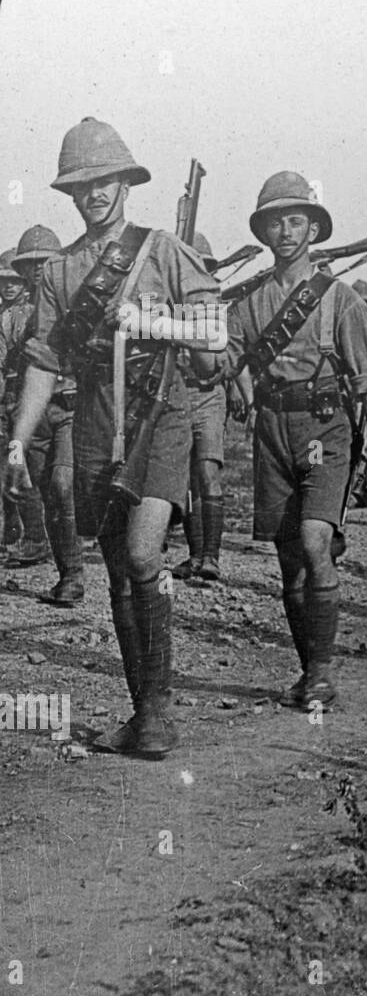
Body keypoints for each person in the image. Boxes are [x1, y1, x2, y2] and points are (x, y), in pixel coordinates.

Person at [5, 118, 222, 758]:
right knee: (121, 569)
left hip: (162, 410)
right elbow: (44, 363)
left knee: (146, 551)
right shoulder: (63, 271)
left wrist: (156, 319)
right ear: (71, 194)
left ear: (124, 182)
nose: (95, 193)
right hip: (98, 418)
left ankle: (158, 709)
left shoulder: (162, 249)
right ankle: (146, 712)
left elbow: (216, 331)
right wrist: (18, 440)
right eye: (82, 185)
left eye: (104, 181)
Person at [225, 172, 367, 711]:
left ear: (313, 228)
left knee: (316, 542)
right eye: (275, 221)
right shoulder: (250, 303)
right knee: (289, 558)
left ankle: (321, 672)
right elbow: (222, 357)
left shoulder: (340, 300)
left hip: (326, 427)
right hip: (272, 429)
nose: (285, 230)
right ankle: (305, 669)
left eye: (295, 219)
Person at [2, 226, 83, 601]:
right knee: (45, 492)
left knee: (63, 487)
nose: (37, 270)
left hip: (67, 406)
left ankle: (75, 577)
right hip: (30, 413)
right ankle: (65, 571)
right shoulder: (12, 317)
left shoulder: (75, 303)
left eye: (44, 261)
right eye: (30, 264)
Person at [172, 231, 228, 582]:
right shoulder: (162, 303)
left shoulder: (218, 307)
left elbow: (224, 359)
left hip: (207, 394)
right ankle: (195, 555)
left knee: (207, 473)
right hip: (177, 395)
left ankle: (212, 557)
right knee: (187, 480)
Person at [0, 246, 53, 568]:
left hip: (42, 398)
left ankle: (37, 536)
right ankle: (25, 535)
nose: (8, 286)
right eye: (3, 280)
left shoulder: (38, 309)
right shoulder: (6, 318)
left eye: (14, 281)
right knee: (16, 467)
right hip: (15, 400)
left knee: (34, 472)